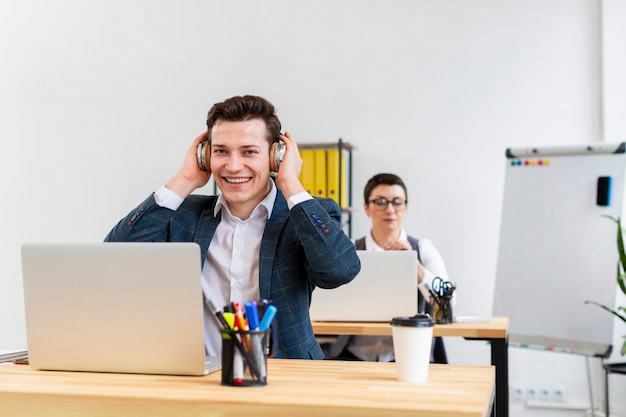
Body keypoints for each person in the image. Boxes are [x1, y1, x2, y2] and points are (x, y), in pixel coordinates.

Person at [105, 95, 361, 360]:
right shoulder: (184, 215)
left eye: (249, 151)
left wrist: (291, 183)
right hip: (200, 376)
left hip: (288, 374)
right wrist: (186, 179)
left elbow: (340, 271)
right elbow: (115, 255)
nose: (233, 165)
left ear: (276, 157)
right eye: (221, 151)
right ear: (205, 155)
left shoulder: (304, 214)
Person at [330, 173, 450, 363]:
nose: (390, 209)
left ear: (406, 208)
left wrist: (416, 268)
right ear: (367, 208)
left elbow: (448, 303)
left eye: (397, 202)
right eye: (381, 202)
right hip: (354, 356)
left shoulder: (424, 248)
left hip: (410, 355)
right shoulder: (350, 250)